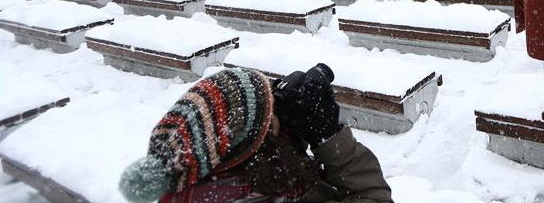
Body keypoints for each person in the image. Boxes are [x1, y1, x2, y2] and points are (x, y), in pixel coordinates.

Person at [117, 67, 392, 203]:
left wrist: (295, 137)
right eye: (268, 114)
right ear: (249, 146)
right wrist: (329, 137)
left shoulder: (194, 176)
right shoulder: (266, 191)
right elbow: (373, 197)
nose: (277, 117)